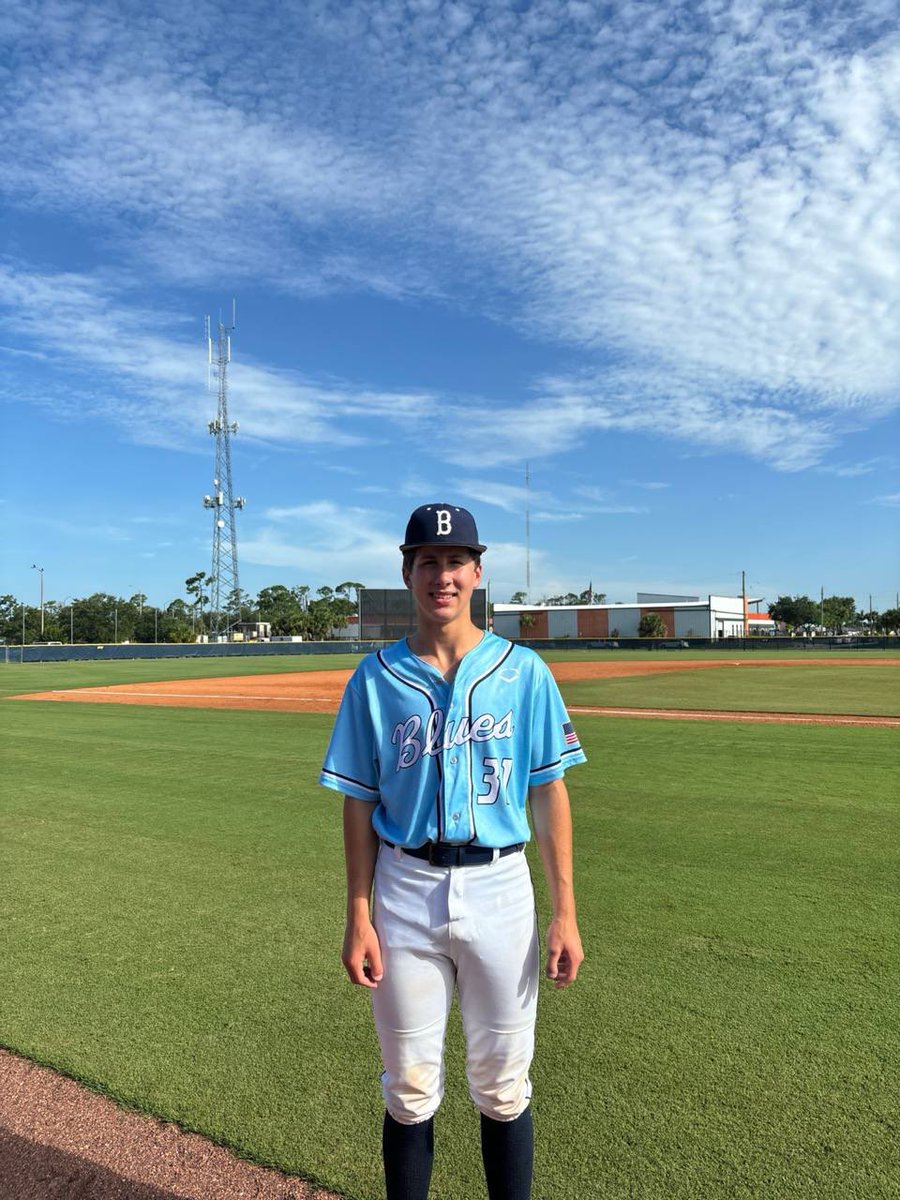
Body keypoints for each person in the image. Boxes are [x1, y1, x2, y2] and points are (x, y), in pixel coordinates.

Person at [319, 503, 586, 1200]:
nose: (443, 574)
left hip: (502, 889)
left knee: (503, 1086)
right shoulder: (374, 680)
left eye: (456, 561)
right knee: (408, 1088)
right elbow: (359, 803)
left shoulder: (523, 672)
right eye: (429, 561)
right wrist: (359, 914)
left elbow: (549, 793)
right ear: (409, 572)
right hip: (405, 891)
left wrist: (566, 914)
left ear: (477, 572)